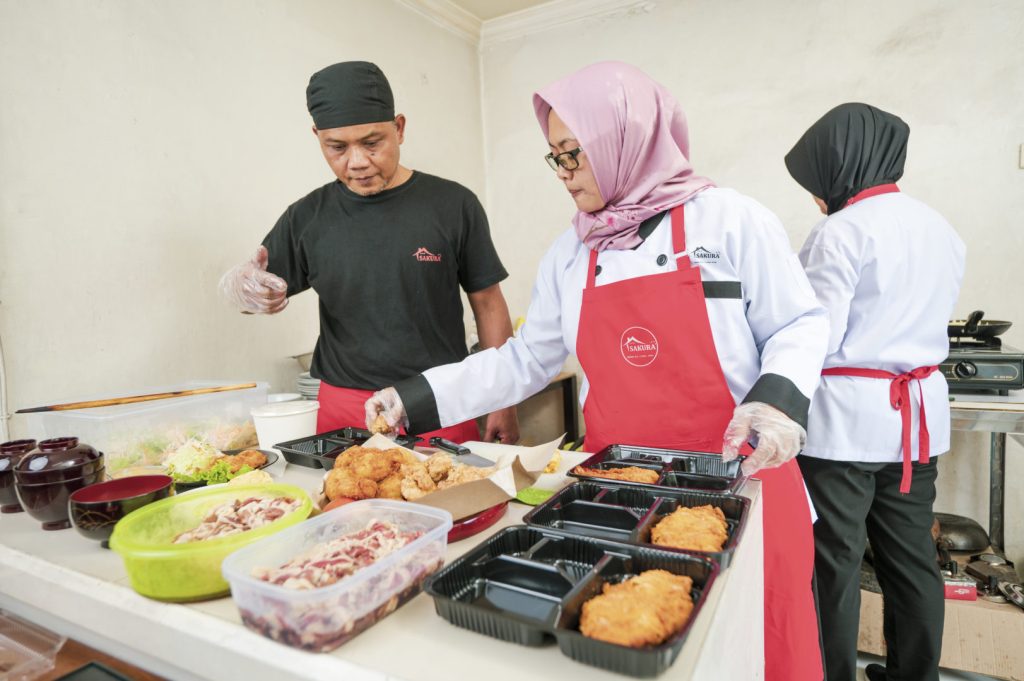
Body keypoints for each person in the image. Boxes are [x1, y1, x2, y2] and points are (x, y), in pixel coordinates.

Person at [367, 62, 828, 681]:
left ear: (625, 142)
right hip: (620, 498)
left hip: (742, 485)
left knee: (760, 648)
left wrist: (776, 403)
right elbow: (528, 359)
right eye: (554, 157)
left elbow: (798, 324)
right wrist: (416, 397)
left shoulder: (732, 221)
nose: (564, 174)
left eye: (574, 155)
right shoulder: (572, 252)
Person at [219, 61, 518, 444]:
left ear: (400, 128)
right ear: (317, 137)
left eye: (372, 142)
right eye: (337, 147)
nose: (357, 162)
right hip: (343, 406)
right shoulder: (306, 217)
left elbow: (489, 303)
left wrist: (503, 399)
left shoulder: (453, 204)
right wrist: (247, 290)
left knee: (456, 502)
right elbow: (257, 291)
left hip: (439, 397)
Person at [785, 103, 966, 681]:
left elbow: (817, 335)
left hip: (845, 428)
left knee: (833, 561)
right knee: (913, 559)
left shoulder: (838, 232)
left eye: (817, 185)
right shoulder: (941, 227)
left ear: (840, 169)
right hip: (916, 424)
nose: (817, 199)